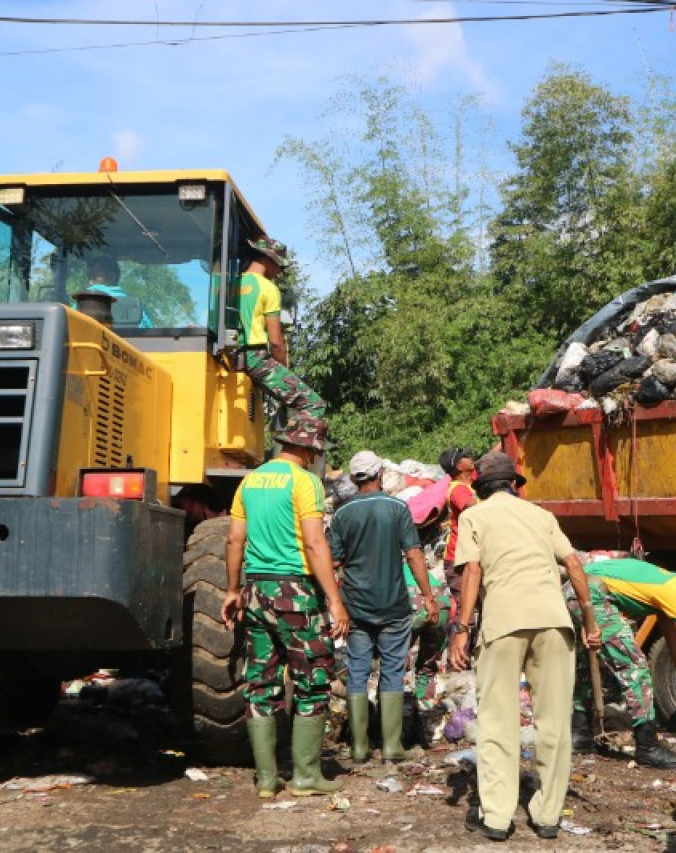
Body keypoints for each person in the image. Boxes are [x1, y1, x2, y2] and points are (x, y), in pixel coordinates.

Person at [449, 451, 601, 841]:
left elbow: (473, 571)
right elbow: (575, 566)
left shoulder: (474, 516)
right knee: (554, 723)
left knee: (499, 722)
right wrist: (590, 620)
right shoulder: (541, 516)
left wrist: (462, 628)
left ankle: (497, 818)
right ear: (515, 485)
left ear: (479, 488)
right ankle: (548, 815)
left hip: (504, 622)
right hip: (554, 621)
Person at [221, 416, 348, 798]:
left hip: (255, 592)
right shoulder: (305, 481)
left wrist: (231, 590)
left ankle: (265, 779)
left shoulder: (250, 480)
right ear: (311, 450)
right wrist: (335, 600)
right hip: (295, 593)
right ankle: (307, 776)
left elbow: (233, 541)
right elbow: (314, 543)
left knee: (260, 681)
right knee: (313, 680)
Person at [329, 450, 439, 764]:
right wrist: (428, 596)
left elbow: (333, 560)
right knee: (392, 671)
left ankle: (359, 746)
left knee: (358, 671)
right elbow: (415, 554)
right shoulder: (397, 508)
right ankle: (392, 746)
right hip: (393, 606)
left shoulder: (341, 514)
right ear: (379, 475)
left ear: (353, 479)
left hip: (356, 608)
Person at [568, 557, 676, 769]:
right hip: (590, 593)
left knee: (587, 663)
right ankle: (647, 747)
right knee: (635, 668)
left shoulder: (664, 588)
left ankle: (579, 735)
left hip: (573, 589)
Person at [236, 236, 326, 420]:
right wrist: (284, 371)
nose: (278, 271)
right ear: (268, 259)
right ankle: (290, 450)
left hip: (231, 355)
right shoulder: (268, 288)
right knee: (314, 405)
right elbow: (275, 342)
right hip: (255, 359)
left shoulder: (230, 283)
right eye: (279, 265)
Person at [438, 446, 478, 608]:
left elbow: (490, 456)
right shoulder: (458, 489)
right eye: (466, 456)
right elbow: (474, 507)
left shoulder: (470, 480)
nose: (471, 457)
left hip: (470, 556)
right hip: (458, 560)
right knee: (465, 609)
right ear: (460, 467)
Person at [82, 255, 152, 328]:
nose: (90, 280)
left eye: (95, 275)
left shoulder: (82, 303)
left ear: (112, 276)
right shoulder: (136, 307)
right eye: (90, 275)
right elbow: (148, 331)